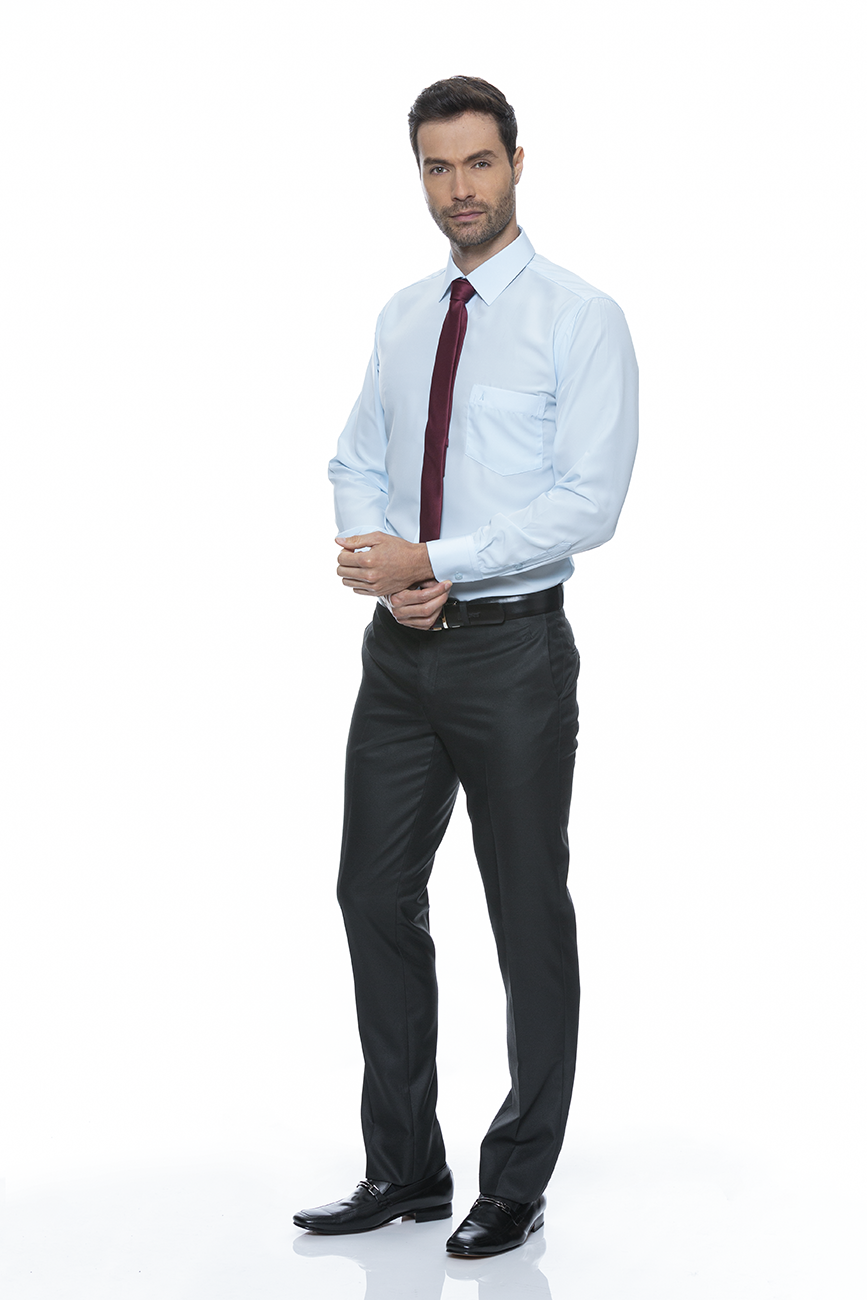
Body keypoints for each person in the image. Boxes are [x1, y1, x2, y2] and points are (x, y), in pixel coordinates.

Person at [293, 75, 638, 1258]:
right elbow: (355, 457)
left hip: (511, 654)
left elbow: (589, 503)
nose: (460, 189)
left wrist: (435, 556)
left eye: (479, 163)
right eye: (438, 168)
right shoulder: (404, 316)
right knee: (371, 893)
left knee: (524, 911)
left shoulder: (579, 318)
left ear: (517, 164)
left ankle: (518, 1178)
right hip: (401, 654)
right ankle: (406, 1167)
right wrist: (384, 563)